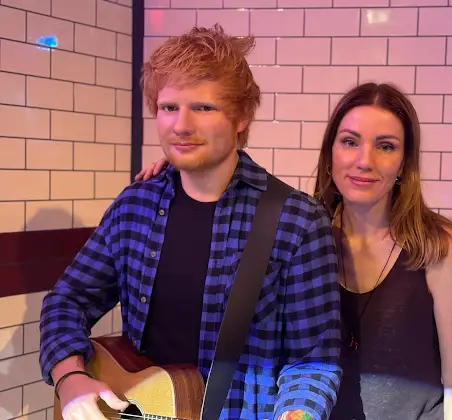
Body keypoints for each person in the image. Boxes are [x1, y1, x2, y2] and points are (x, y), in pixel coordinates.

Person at [39, 25, 342, 420]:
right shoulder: (135, 206)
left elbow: (313, 362)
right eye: (169, 108)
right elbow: (67, 300)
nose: (181, 125)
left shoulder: (296, 220)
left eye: (203, 108)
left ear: (240, 116)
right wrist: (69, 378)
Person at [138, 82, 452, 420]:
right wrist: (186, 167)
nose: (364, 161)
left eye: (386, 146)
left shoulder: (439, 246)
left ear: (404, 163)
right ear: (330, 153)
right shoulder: (302, 232)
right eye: (350, 142)